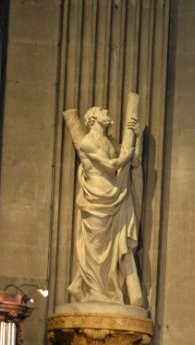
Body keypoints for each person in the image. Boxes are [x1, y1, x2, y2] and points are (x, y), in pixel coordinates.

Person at [62, 101, 145, 307]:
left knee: (112, 246)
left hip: (114, 197)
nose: (107, 112)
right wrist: (125, 156)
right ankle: (94, 292)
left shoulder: (110, 142)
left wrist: (139, 137)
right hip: (95, 200)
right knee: (95, 248)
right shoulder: (87, 142)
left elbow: (134, 161)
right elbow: (109, 166)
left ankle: (86, 288)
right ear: (93, 118)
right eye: (102, 111)